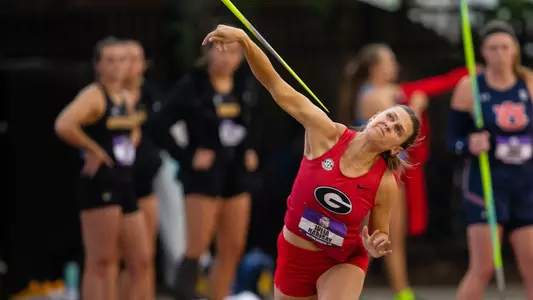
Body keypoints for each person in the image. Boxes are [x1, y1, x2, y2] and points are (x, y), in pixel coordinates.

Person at [202, 25, 421, 300]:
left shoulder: (385, 181)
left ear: (396, 148)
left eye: (398, 129)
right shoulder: (326, 134)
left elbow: (379, 234)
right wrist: (246, 41)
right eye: (389, 117)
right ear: (376, 115)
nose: (389, 126)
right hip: (295, 256)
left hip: (343, 261)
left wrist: (375, 246)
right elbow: (275, 85)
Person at [338, 43, 470, 300]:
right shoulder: (373, 96)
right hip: (374, 178)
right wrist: (417, 109)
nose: (395, 66)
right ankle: (352, 290)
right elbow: (406, 130)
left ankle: (401, 291)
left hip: (388, 176)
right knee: (369, 239)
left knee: (387, 238)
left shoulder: (390, 92)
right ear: (376, 67)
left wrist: (463, 75)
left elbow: (432, 85)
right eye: (390, 61)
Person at [148, 27, 262, 300]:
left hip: (235, 173)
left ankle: (219, 295)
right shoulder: (192, 85)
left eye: (233, 52)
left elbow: (256, 120)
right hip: (203, 177)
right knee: (196, 248)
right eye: (220, 50)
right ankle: (183, 292)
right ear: (207, 51)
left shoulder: (246, 83)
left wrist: (250, 149)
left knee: (233, 247)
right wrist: (187, 155)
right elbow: (157, 125)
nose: (226, 58)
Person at [54, 37, 149, 300]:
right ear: (98, 65)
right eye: (110, 60)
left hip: (126, 180)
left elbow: (132, 128)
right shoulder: (94, 95)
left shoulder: (127, 97)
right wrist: (93, 150)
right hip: (101, 183)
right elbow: (64, 124)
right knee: (102, 261)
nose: (118, 66)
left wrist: (133, 136)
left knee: (140, 259)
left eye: (122, 60)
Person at [448, 20, 533, 300]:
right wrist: (469, 144)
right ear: (483, 51)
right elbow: (452, 141)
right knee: (482, 267)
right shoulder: (469, 87)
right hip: (486, 185)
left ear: (515, 50)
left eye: (505, 47)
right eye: (493, 48)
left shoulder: (529, 83)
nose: (500, 54)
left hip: (525, 184)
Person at [121, 39, 162, 300]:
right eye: (127, 58)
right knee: (123, 258)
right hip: (118, 184)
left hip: (147, 181)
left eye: (137, 58)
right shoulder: (105, 96)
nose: (132, 65)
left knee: (147, 257)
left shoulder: (151, 94)